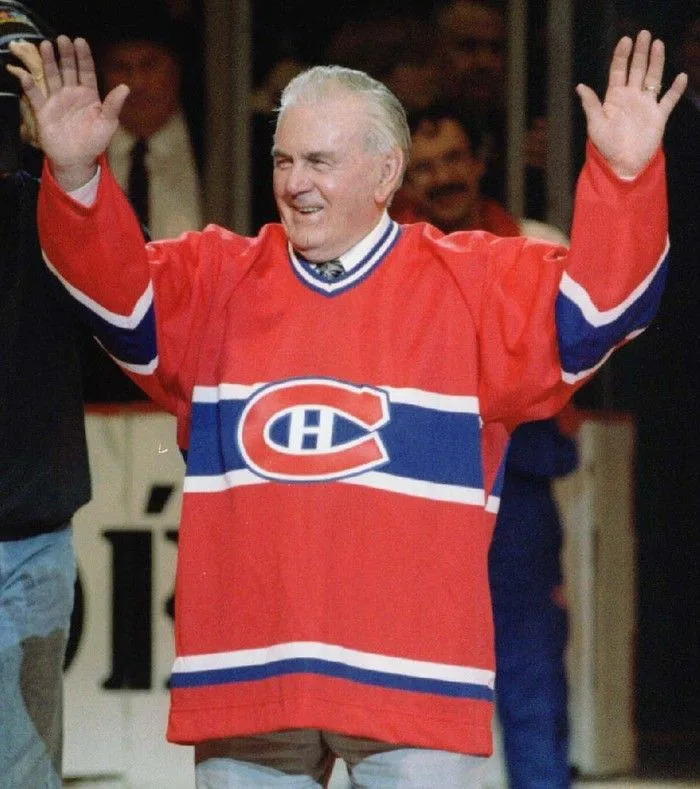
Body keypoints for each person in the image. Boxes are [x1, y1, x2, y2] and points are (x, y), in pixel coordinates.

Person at [19, 29, 685, 788]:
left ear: (386, 171)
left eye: (320, 161)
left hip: (414, 681)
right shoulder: (215, 280)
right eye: (283, 161)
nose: (295, 183)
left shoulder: (474, 283)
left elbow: (600, 313)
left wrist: (625, 177)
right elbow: (114, 296)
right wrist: (76, 177)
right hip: (251, 678)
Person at [394, 103, 577, 787]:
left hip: (517, 491)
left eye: (453, 159)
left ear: (478, 162)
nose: (443, 177)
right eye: (425, 167)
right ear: (404, 177)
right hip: (413, 493)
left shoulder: (537, 244)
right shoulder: (383, 257)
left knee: (530, 670)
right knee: (405, 682)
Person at [0, 24, 91, 789]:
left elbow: (131, 299)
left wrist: (71, 167)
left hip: (30, 543)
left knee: (25, 772)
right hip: (35, 541)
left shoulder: (55, 208)